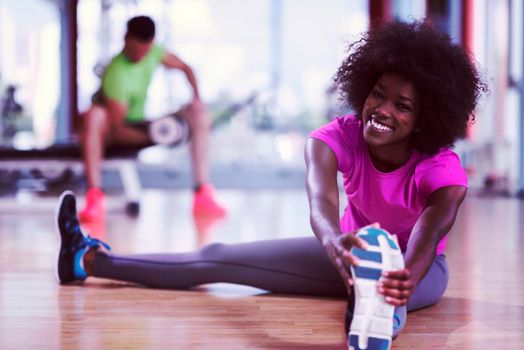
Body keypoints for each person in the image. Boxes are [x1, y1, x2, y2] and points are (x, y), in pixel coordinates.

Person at [56, 21, 486, 348]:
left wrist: (406, 276)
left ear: (425, 120)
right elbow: (320, 202)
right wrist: (335, 243)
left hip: (419, 269)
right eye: (377, 94)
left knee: (384, 288)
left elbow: (431, 231)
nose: (382, 109)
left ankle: (376, 314)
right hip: (347, 249)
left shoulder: (440, 167)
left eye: (403, 105)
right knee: (218, 256)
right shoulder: (336, 137)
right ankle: (87, 260)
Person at [80, 15, 226, 221]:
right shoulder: (116, 73)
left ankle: (203, 193)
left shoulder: (154, 52)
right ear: (126, 39)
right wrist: (157, 134)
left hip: (144, 123)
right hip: (116, 130)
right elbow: (119, 127)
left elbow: (186, 68)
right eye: (136, 50)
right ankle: (95, 196)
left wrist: (196, 98)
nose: (140, 55)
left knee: (199, 115)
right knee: (95, 115)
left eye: (144, 50)